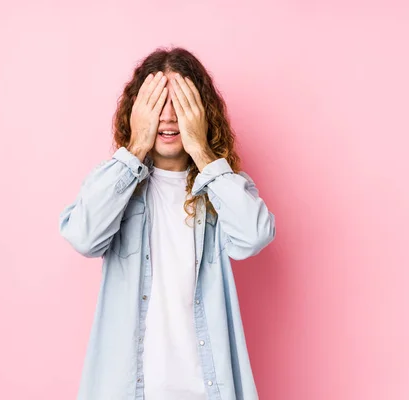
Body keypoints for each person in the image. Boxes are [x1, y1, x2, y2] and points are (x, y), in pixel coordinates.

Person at [59, 46, 276, 400]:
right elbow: (83, 236)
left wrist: (203, 151)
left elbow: (255, 236)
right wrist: (134, 148)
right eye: (158, 103)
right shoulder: (116, 186)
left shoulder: (223, 188)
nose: (170, 116)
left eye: (182, 103)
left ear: (202, 112)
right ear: (138, 111)